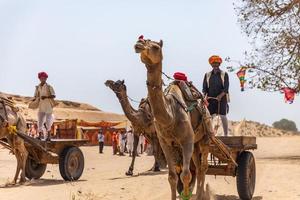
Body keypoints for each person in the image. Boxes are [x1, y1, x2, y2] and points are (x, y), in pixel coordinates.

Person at [202, 55, 229, 136]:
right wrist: (205, 96)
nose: (215, 65)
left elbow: (226, 88)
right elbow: (204, 88)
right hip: (210, 99)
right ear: (211, 65)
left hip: (222, 99)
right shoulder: (207, 75)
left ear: (219, 64)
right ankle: (210, 135)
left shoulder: (224, 74)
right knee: (210, 117)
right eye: (213, 64)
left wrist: (220, 96)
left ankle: (226, 135)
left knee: (223, 116)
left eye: (217, 63)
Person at [33, 72, 56, 141]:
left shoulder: (49, 87)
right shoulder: (37, 87)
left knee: (48, 122)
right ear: (39, 78)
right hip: (41, 107)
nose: (43, 79)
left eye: (44, 78)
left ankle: (49, 137)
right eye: (41, 78)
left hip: (48, 107)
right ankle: (39, 136)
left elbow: (53, 95)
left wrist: (46, 97)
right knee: (39, 122)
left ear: (46, 78)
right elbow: (35, 96)